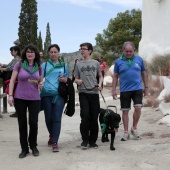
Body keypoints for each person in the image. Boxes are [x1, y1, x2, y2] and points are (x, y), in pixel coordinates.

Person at [8, 44, 43, 158]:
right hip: (20, 98)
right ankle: (24, 149)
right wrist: (10, 95)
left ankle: (33, 145)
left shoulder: (39, 66)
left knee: (33, 123)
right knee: (22, 124)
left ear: (35, 54)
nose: (30, 53)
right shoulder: (19, 65)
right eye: (28, 51)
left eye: (32, 51)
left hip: (34, 99)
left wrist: (40, 84)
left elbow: (40, 82)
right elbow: (12, 81)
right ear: (25, 53)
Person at [112, 41, 148, 141]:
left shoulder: (139, 60)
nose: (128, 53)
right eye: (126, 51)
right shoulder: (118, 61)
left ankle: (134, 128)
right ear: (123, 50)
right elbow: (115, 76)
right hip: (124, 90)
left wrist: (146, 87)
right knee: (125, 111)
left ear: (134, 51)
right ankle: (126, 132)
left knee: (138, 108)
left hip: (137, 89)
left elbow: (144, 73)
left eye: (130, 51)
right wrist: (114, 89)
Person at [40, 44, 69, 152]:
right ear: (49, 53)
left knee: (57, 118)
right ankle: (51, 134)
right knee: (48, 118)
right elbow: (40, 78)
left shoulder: (64, 65)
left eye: (55, 52)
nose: (53, 54)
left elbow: (68, 79)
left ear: (58, 53)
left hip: (59, 95)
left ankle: (55, 142)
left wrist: (65, 80)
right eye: (51, 52)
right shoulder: (45, 65)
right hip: (46, 94)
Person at [74, 42, 103, 149]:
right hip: (83, 93)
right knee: (85, 116)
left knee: (94, 117)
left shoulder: (96, 63)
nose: (82, 50)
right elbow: (75, 78)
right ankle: (85, 140)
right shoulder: (78, 64)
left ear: (90, 51)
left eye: (84, 49)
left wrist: (100, 85)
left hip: (94, 93)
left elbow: (100, 76)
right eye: (81, 49)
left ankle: (93, 141)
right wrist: (78, 81)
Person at [0, 45, 20, 117]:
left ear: (16, 51)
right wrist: (2, 65)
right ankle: (17, 112)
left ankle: (18, 112)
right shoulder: (15, 59)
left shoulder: (17, 59)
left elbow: (11, 68)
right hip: (14, 79)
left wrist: (2, 69)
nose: (11, 52)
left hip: (14, 79)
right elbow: (8, 66)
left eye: (12, 51)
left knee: (14, 94)